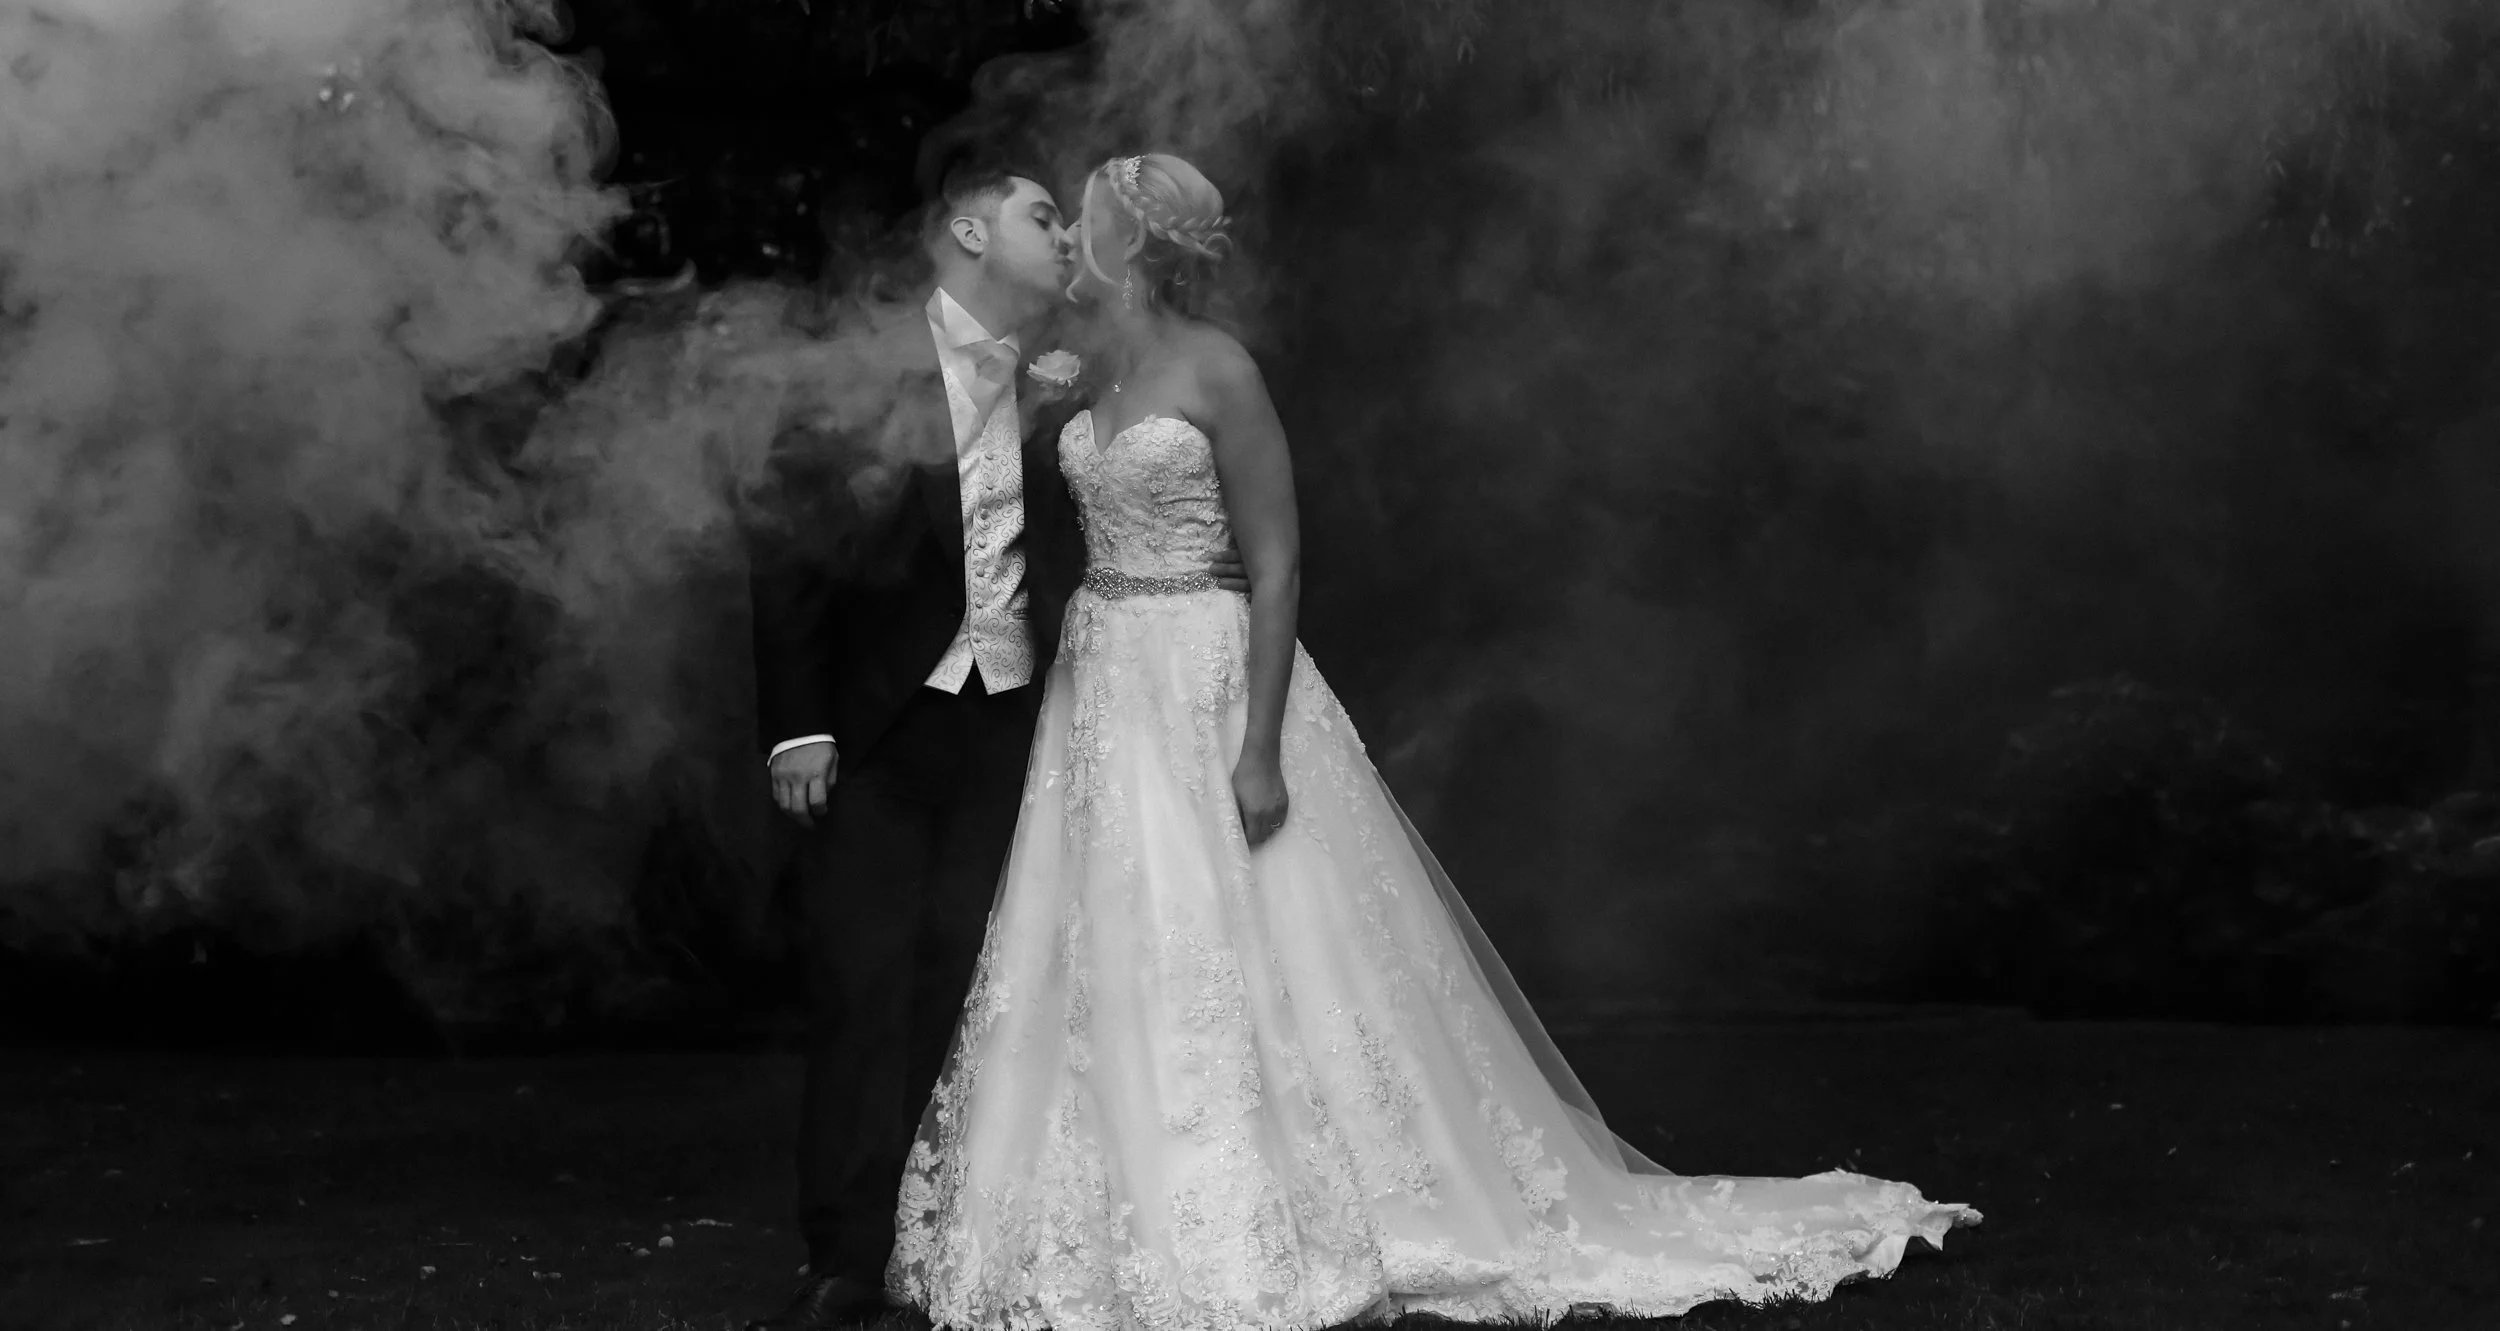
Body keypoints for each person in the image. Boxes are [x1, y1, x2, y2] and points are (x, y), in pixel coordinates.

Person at [886, 153, 1980, 1331]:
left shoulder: (1219, 369)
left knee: (1244, 930)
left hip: (1205, 670)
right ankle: (1107, 1200)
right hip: (1101, 684)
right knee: (1108, 926)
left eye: (1083, 219)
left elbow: (1278, 567)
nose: (1067, 236)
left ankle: (1284, 1194)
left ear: (1130, 244)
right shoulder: (1079, 369)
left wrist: (1259, 747)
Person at [740, 163, 1247, 1331]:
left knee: (979, 985)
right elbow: (786, 542)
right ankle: (846, 1258)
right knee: (861, 983)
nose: (1064, 236)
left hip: (1020, 727)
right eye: (1039, 216)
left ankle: (945, 1239)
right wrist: (799, 725)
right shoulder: (856, 371)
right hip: (876, 730)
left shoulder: (1067, 372)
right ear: (968, 231)